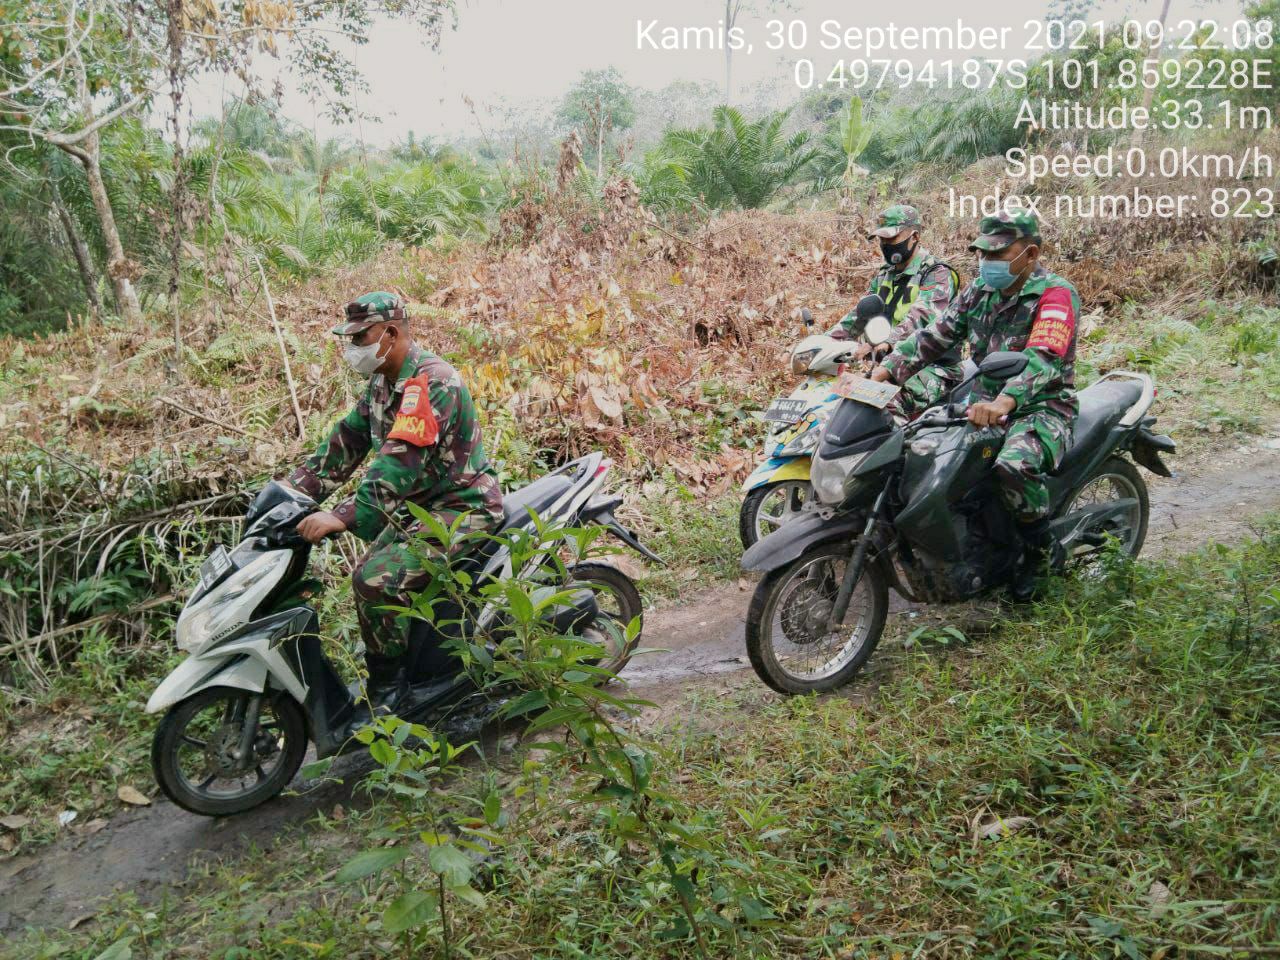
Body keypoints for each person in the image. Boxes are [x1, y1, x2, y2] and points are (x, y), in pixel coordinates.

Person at [288, 291, 504, 708]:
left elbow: (399, 462)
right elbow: (347, 439)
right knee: (367, 575)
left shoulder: (432, 383)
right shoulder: (383, 383)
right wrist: (293, 490)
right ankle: (415, 667)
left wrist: (343, 515)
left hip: (463, 507)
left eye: (360, 338)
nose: (353, 349)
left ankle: (391, 693)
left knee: (374, 580)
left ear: (389, 333)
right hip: (420, 509)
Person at [868, 209, 1080, 600]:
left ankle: (1042, 553)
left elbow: (1044, 357)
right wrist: (882, 374)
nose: (987, 262)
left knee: (1014, 466)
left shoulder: (1055, 295)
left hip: (1042, 407)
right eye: (983, 253)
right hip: (980, 405)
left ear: (1031, 254)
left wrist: (1005, 400)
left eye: (998, 254)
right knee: (927, 457)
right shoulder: (979, 290)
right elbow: (935, 336)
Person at [830, 204, 963, 417]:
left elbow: (922, 317)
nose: (886, 245)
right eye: (882, 240)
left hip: (934, 368)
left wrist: (888, 341)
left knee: (880, 404)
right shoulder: (885, 274)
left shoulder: (937, 274)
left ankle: (902, 439)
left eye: (891, 239)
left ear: (914, 236)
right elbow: (859, 315)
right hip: (890, 364)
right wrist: (826, 343)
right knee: (836, 400)